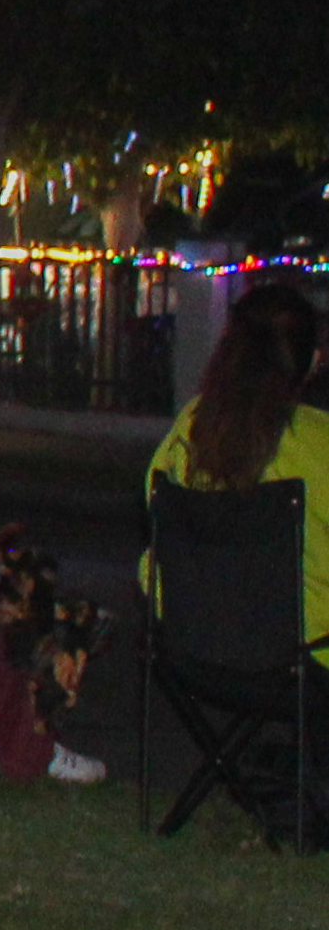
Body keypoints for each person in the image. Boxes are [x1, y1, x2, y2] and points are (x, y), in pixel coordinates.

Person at [145, 270, 329, 647]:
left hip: (201, 643)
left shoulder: (194, 423)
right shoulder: (317, 438)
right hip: (306, 653)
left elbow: (154, 497)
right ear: (312, 360)